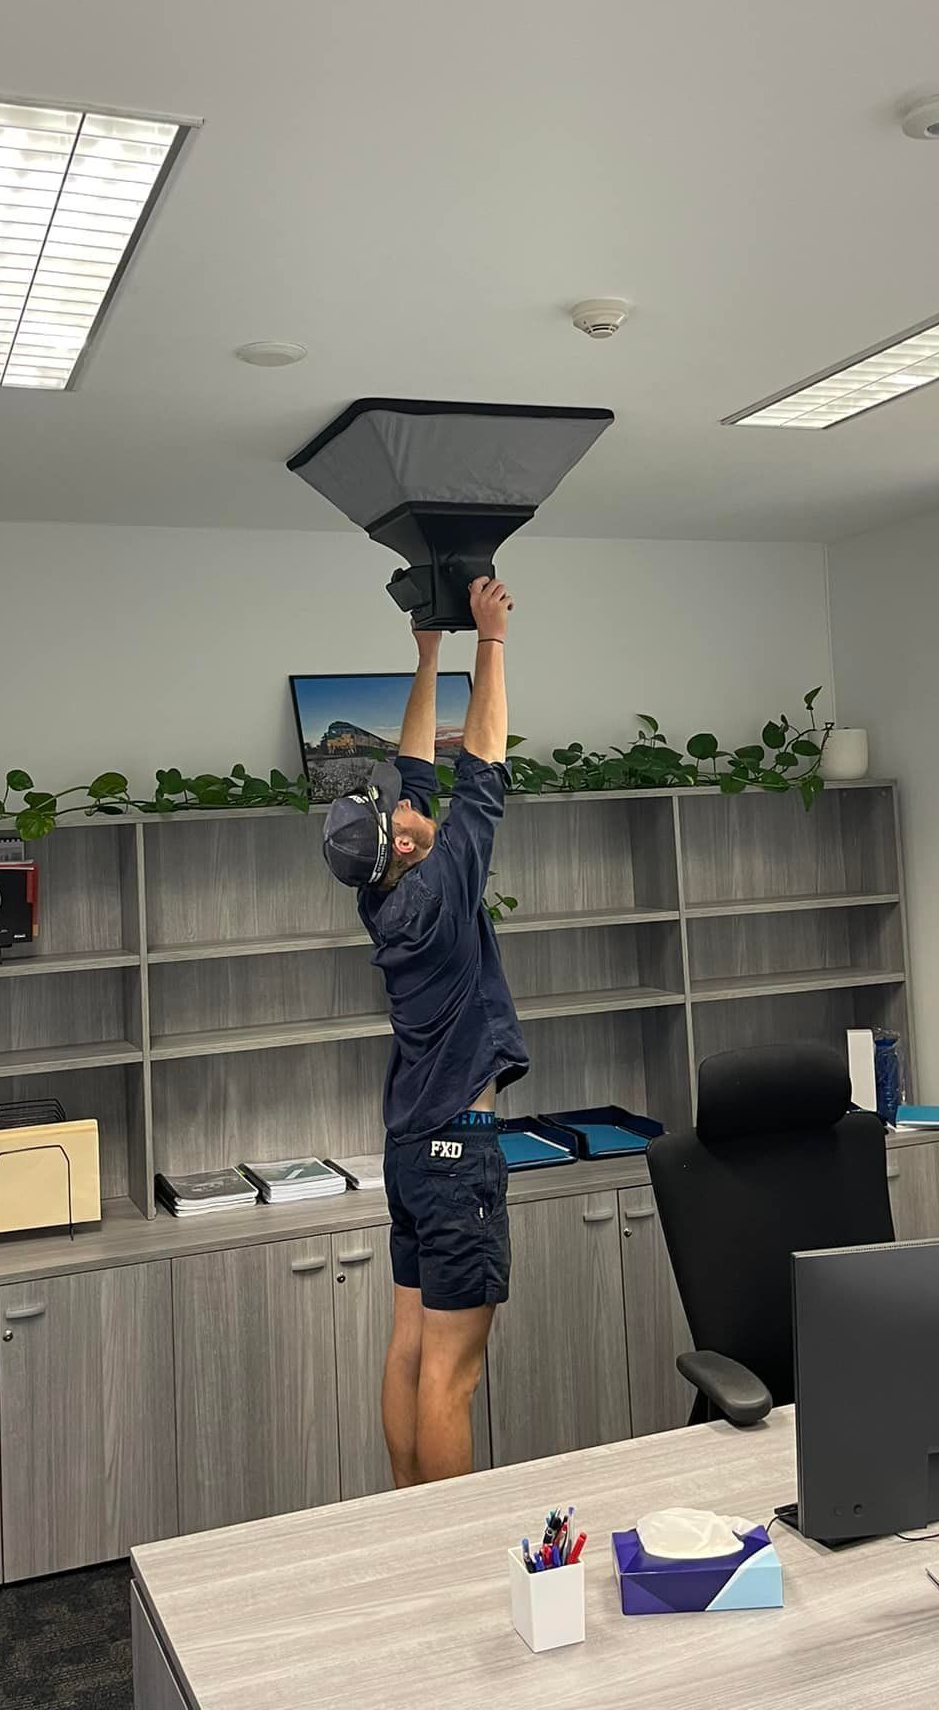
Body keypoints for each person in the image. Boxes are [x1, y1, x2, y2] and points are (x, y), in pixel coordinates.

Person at [319, 574, 527, 1484]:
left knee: (409, 1345)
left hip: (410, 1151)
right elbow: (483, 765)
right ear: (403, 844)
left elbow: (421, 769)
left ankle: (404, 1509)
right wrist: (490, 642)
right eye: (398, 813)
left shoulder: (382, 896)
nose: (407, 803)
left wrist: (428, 655)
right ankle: (448, 1550)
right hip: (458, 1156)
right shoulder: (444, 884)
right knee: (454, 1372)